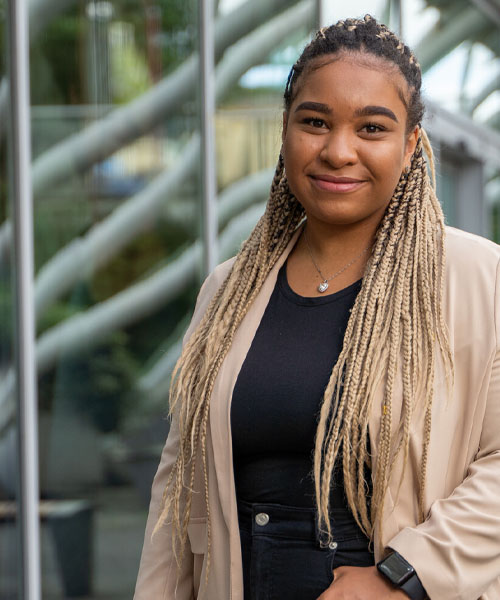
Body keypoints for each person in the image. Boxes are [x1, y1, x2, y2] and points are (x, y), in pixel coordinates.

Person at [134, 14, 500, 600]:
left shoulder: (480, 281)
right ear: (285, 130)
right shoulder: (227, 292)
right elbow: (179, 488)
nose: (338, 151)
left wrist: (404, 577)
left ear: (409, 146)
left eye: (372, 129)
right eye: (315, 122)